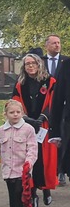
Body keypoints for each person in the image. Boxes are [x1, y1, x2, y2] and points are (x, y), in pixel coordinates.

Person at [11, 52, 58, 207]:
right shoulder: (20, 84)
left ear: (39, 64)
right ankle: (32, 193)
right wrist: (26, 118)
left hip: (44, 125)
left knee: (45, 160)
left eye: (33, 63)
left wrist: (43, 117)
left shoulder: (50, 81)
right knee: (29, 158)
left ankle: (46, 189)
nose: (30, 66)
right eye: (27, 64)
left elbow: (54, 101)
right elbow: (15, 103)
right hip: (27, 125)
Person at [42, 35, 68, 185]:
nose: (57, 45)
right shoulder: (41, 62)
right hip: (47, 103)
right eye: (54, 43)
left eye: (59, 43)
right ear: (47, 45)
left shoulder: (65, 61)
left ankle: (62, 170)